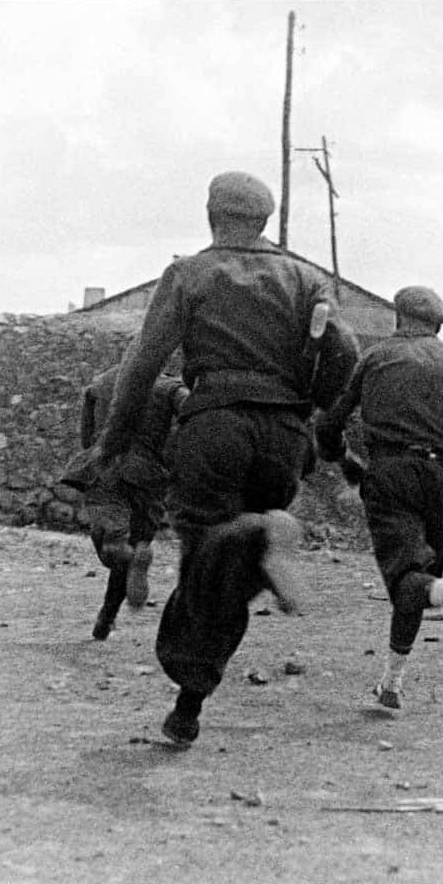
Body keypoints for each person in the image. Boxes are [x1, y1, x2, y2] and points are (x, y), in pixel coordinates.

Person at [88, 170, 360, 747]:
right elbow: (347, 351)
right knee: (231, 571)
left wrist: (111, 444)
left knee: (205, 558)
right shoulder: (307, 279)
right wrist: (310, 406)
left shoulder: (190, 274)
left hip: (216, 426)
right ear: (264, 219)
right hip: (283, 436)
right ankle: (188, 708)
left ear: (212, 214)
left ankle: (249, 540)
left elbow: (141, 365)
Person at [314, 285, 443, 711]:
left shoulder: (374, 358)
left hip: (392, 475)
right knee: (419, 585)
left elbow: (327, 425)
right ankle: (391, 685)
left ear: (397, 316)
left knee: (408, 581)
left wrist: (346, 460)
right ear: (439, 323)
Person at [67, 355, 188, 640]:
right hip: (149, 475)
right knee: (137, 542)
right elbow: (190, 416)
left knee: (111, 543)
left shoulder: (100, 383)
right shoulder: (169, 386)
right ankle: (105, 620)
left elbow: (86, 437)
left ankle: (117, 545)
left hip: (106, 468)